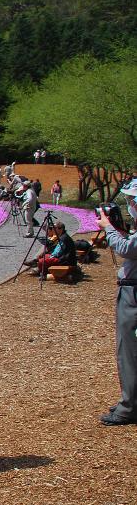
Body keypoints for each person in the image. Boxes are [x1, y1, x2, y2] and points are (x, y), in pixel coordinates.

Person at [97, 179, 137, 426]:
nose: (130, 204)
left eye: (132, 200)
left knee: (129, 350)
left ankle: (129, 406)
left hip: (133, 296)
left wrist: (109, 228)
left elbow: (126, 249)